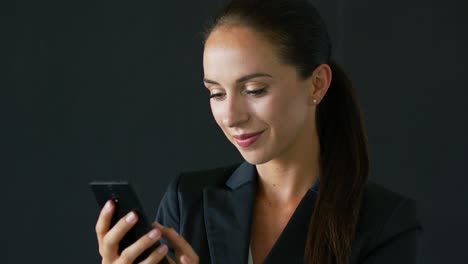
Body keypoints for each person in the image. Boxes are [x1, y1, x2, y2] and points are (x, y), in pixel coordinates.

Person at [95, 0, 422, 263]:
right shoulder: (188, 200)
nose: (231, 117)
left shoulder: (384, 221)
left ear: (317, 84)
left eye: (254, 90)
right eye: (216, 93)